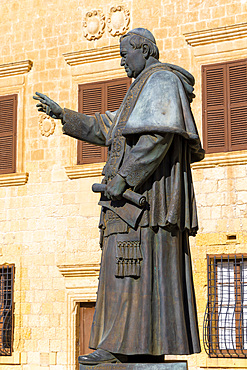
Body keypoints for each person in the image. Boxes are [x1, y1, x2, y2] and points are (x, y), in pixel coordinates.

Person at [34, 28, 204, 365]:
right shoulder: (139, 90)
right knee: (121, 272)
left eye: (125, 53)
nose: (121, 60)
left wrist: (124, 178)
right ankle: (118, 347)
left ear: (144, 49)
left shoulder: (161, 81)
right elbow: (106, 127)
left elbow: (157, 136)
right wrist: (63, 114)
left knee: (132, 272)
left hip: (145, 205)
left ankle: (125, 348)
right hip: (128, 205)